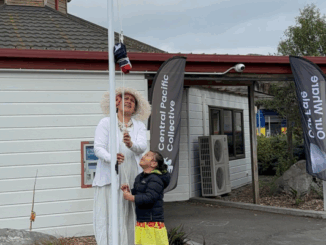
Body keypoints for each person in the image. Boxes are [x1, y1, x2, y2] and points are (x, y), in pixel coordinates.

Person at [92, 87, 151, 245]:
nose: (129, 102)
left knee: (128, 213)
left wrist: (130, 144)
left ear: (135, 108)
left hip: (131, 174)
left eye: (132, 101)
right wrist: (112, 158)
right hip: (110, 176)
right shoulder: (106, 122)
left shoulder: (138, 126)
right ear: (117, 103)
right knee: (110, 212)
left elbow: (142, 146)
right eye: (126, 99)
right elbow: (98, 148)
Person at [122, 151, 170, 245]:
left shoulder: (156, 179)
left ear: (153, 163)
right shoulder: (139, 177)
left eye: (147, 155)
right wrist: (129, 191)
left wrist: (131, 197)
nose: (143, 156)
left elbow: (150, 198)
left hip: (152, 224)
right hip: (142, 222)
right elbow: (139, 192)